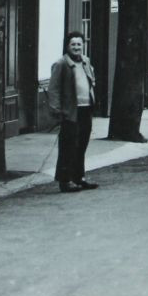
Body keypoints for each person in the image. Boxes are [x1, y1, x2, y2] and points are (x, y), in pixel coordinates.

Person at [48, 30, 99, 193]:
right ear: (67, 46)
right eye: (73, 44)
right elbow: (54, 89)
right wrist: (57, 110)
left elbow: (91, 80)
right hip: (70, 111)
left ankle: (79, 177)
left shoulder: (85, 61)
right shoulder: (61, 64)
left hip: (86, 109)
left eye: (79, 44)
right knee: (68, 145)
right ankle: (65, 180)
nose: (76, 47)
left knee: (82, 144)